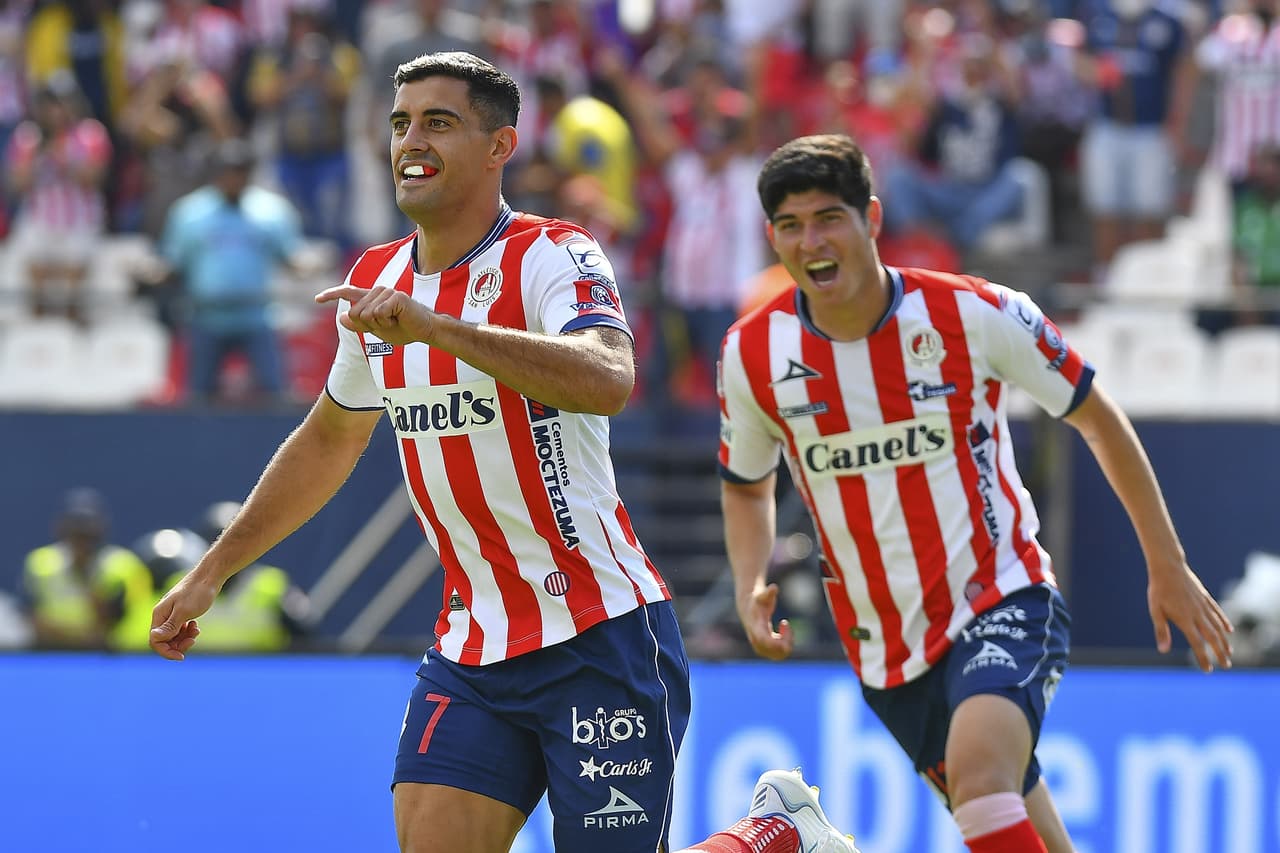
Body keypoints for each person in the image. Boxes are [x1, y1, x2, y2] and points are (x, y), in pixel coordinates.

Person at [149, 51, 857, 853]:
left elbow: (611, 378)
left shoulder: (555, 254)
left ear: (500, 146)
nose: (411, 141)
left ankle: (777, 834)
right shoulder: (376, 278)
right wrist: (214, 569)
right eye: (400, 124)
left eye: (439, 123)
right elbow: (330, 439)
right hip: (474, 644)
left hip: (600, 631)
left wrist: (438, 328)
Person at [716, 134, 1235, 853]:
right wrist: (749, 583)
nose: (813, 240)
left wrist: (1166, 562)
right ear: (772, 237)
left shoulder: (973, 313)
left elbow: (1097, 417)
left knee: (981, 780)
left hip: (1000, 594)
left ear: (871, 216)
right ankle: (807, 836)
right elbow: (746, 485)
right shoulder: (753, 354)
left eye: (829, 217)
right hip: (884, 644)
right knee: (1014, 820)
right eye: (791, 225)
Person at [154, 137, 304, 403]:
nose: (235, 177)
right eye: (229, 171)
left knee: (276, 397)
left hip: (257, 316)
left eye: (241, 170)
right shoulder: (190, 212)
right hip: (206, 317)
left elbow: (291, 258)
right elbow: (173, 263)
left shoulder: (271, 210)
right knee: (198, 400)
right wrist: (152, 272)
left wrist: (311, 265)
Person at [21, 487, 154, 650]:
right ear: (63, 530)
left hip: (104, 654)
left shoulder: (121, 565)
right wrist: (75, 638)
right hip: (51, 651)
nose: (82, 543)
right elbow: (30, 615)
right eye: (76, 533)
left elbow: (118, 623)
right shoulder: (40, 563)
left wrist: (86, 578)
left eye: (87, 535)